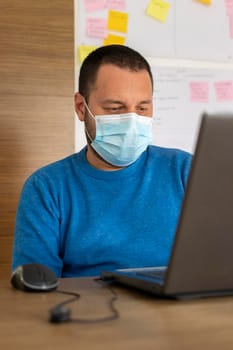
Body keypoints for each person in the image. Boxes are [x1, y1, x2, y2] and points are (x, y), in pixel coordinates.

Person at [12, 45, 192, 278]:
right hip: (88, 312)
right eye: (115, 108)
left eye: (142, 108)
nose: (131, 122)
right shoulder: (47, 188)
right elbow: (36, 288)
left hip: (177, 311)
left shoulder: (185, 171)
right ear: (81, 107)